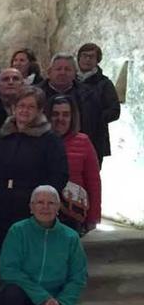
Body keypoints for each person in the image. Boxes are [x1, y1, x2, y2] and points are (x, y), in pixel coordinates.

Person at [0, 185, 87, 305]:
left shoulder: (71, 237)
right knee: (10, 294)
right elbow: (9, 269)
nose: (45, 207)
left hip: (53, 299)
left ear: (58, 208)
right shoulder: (18, 231)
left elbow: (78, 276)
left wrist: (61, 303)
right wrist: (41, 297)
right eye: (39, 202)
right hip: (23, 294)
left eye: (51, 203)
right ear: (31, 207)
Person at [0, 86, 68, 257]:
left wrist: (42, 203)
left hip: (30, 206)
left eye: (31, 107)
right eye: (21, 105)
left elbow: (58, 174)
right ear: (14, 108)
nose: (25, 110)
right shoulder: (1, 137)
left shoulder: (49, 140)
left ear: (39, 110)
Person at [46, 95, 101, 234]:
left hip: (72, 212)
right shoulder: (40, 140)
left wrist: (93, 217)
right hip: (43, 209)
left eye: (66, 114)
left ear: (72, 117)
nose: (60, 119)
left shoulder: (83, 142)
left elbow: (93, 182)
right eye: (55, 114)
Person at [76, 44, 122, 165]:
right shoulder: (70, 80)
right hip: (72, 136)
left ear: (97, 61)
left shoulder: (104, 84)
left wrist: (93, 119)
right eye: (84, 56)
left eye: (91, 57)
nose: (87, 59)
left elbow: (114, 110)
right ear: (78, 58)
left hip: (95, 138)